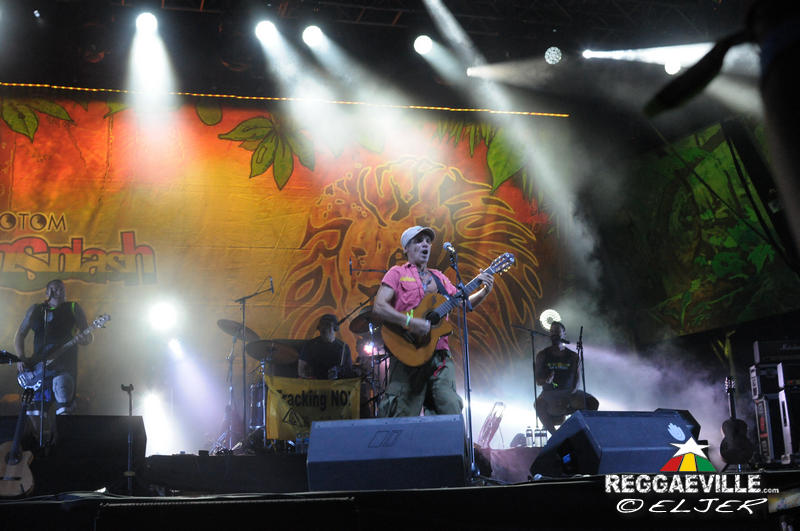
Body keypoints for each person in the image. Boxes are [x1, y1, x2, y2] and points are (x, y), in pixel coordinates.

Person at [372, 225, 495, 417]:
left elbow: (463, 304)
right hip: (407, 352)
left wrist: (484, 290)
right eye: (418, 241)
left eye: (428, 242)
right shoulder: (396, 273)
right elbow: (379, 306)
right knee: (401, 414)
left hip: (439, 355)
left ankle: (454, 447)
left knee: (450, 408)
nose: (425, 245)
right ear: (406, 247)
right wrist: (410, 322)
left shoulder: (439, 278)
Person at [14, 279, 93, 416]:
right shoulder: (36, 310)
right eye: (55, 288)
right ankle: (41, 436)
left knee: (63, 403)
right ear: (47, 292)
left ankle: (59, 436)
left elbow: (88, 336)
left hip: (64, 365)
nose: (59, 291)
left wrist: (84, 339)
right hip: (38, 367)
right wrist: (20, 357)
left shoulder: (73, 307)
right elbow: (20, 334)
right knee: (34, 412)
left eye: (62, 289)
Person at [534, 321, 598, 434]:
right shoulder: (542, 355)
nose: (554, 333)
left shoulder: (573, 356)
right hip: (549, 394)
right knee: (538, 405)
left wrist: (570, 395)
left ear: (564, 334)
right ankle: (555, 436)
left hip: (569, 392)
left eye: (557, 331)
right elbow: (538, 381)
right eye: (552, 331)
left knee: (592, 403)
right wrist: (546, 380)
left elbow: (577, 379)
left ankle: (577, 431)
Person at [298, 314, 353, 379]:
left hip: (336, 386)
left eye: (328, 325)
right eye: (322, 325)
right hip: (315, 385)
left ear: (335, 328)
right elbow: (301, 371)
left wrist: (338, 371)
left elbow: (349, 371)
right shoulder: (310, 345)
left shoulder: (344, 347)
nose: (324, 328)